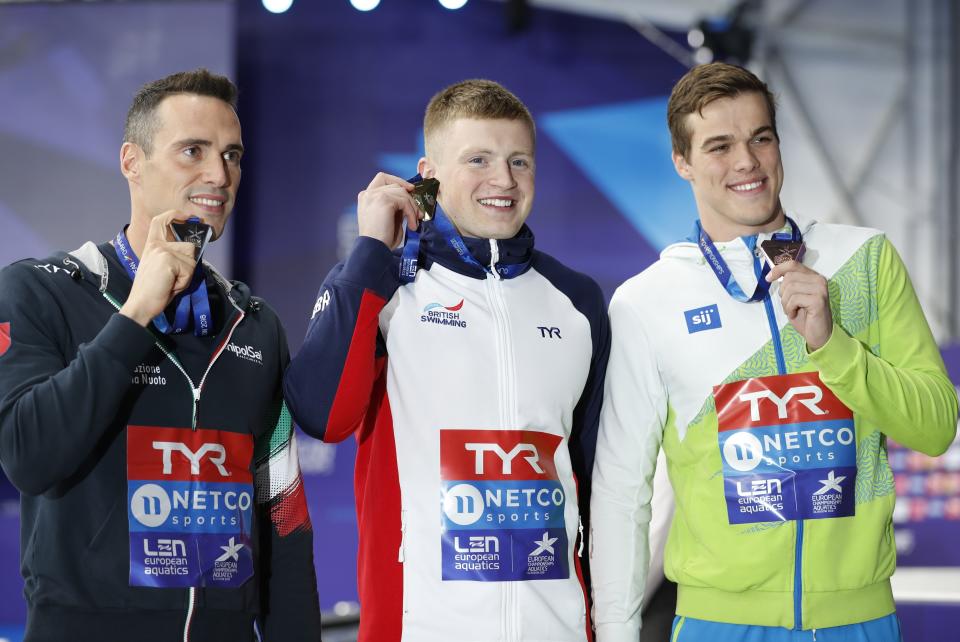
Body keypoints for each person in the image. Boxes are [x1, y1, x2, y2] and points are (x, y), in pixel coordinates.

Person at [590, 62, 958, 642]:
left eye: (761, 137)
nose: (747, 162)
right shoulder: (645, 301)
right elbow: (620, 486)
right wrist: (614, 629)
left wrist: (833, 347)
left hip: (858, 619)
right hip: (720, 623)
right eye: (719, 146)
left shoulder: (864, 259)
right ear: (682, 161)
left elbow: (936, 425)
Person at [0, 69, 322, 641]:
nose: (218, 174)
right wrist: (133, 317)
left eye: (232, 155)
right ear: (132, 161)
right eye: (192, 151)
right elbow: (29, 456)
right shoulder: (40, 291)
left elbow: (282, 516)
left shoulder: (256, 325)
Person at [284, 79, 609, 642]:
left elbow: (596, 479)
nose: (503, 180)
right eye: (478, 159)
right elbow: (322, 416)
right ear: (426, 172)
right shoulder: (382, 284)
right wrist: (366, 256)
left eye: (519, 161)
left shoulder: (576, 300)